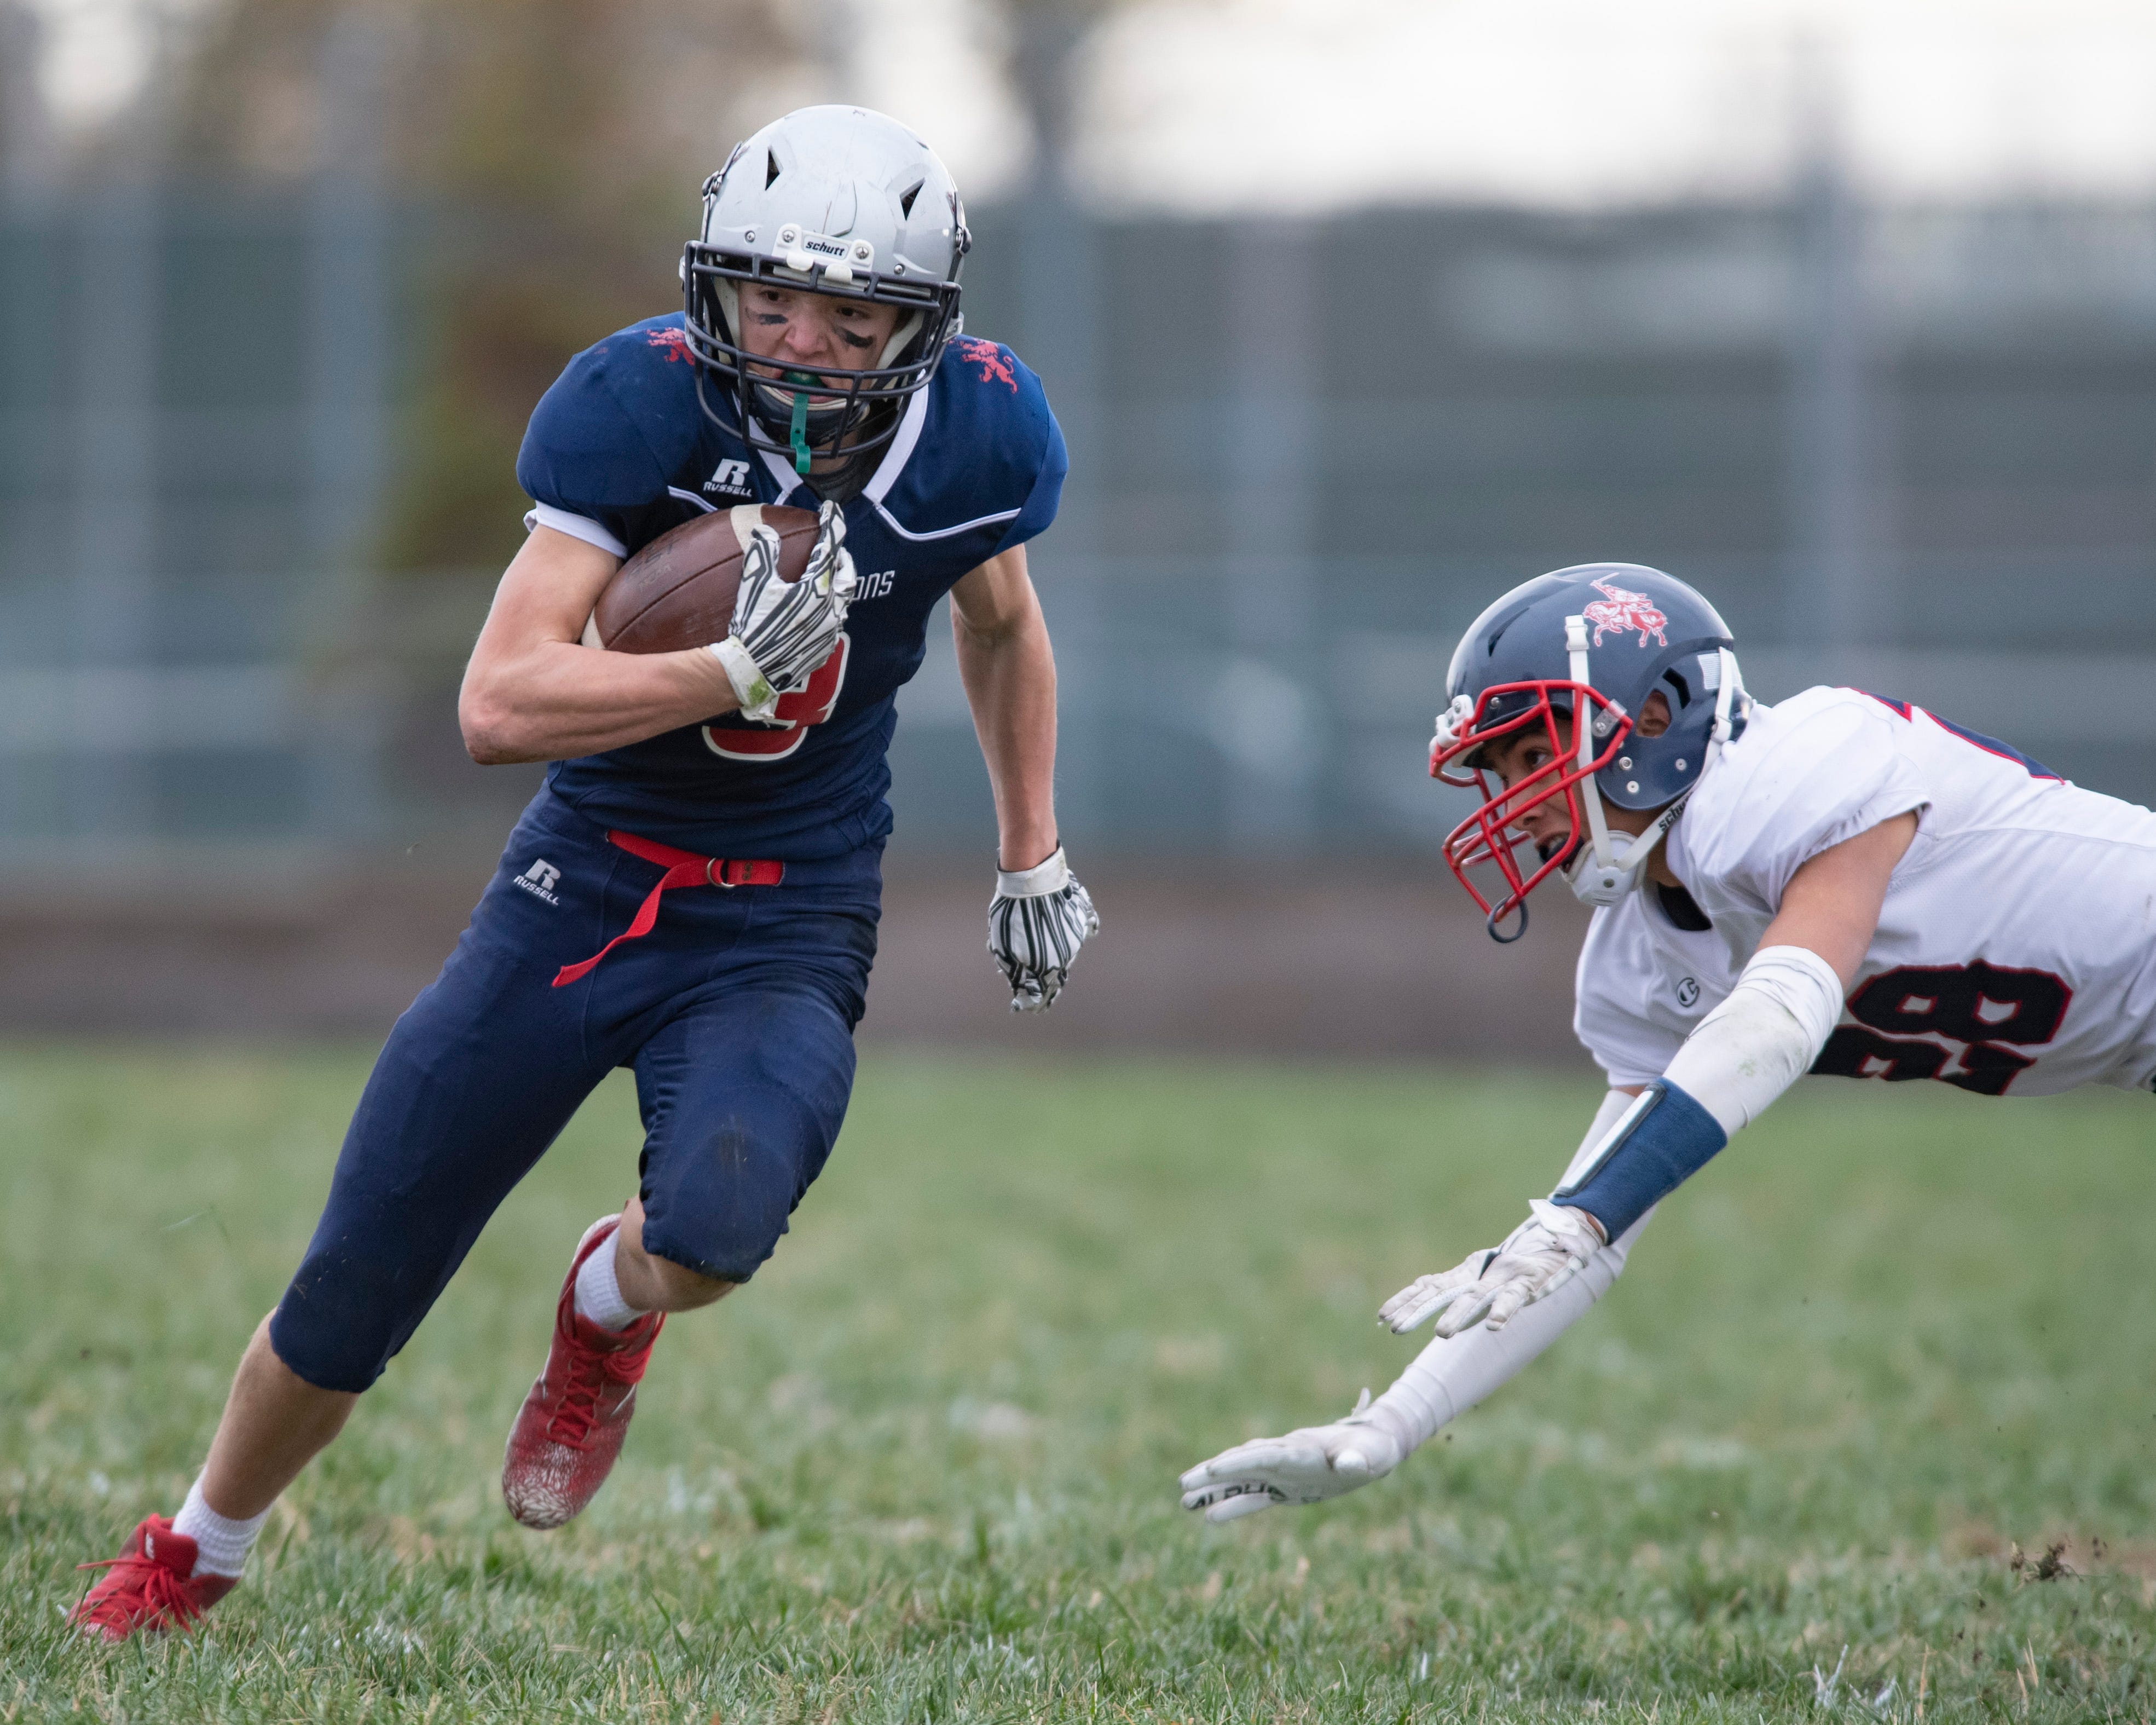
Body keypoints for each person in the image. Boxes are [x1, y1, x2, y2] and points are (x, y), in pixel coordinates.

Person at [72, 104, 1097, 1640]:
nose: (801, 339)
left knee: (717, 1226)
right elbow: (497, 701)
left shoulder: (983, 430)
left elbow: (1001, 623)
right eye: (767, 297)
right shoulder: (638, 405)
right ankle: (202, 1544)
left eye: (849, 311)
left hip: (788, 911)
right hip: (588, 880)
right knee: (366, 1268)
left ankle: (603, 1314)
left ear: (925, 325)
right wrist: (727, 671)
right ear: (716, 284)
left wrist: (1034, 850)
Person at [1178, 562, 2156, 1521]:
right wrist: (1391, 1425)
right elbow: (1586, 1239)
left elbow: (1781, 1014)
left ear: (1652, 718)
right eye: (1504, 771)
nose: (1518, 800)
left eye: (1533, 755)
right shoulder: (1639, 956)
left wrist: (1582, 1217)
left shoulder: (1792, 768)